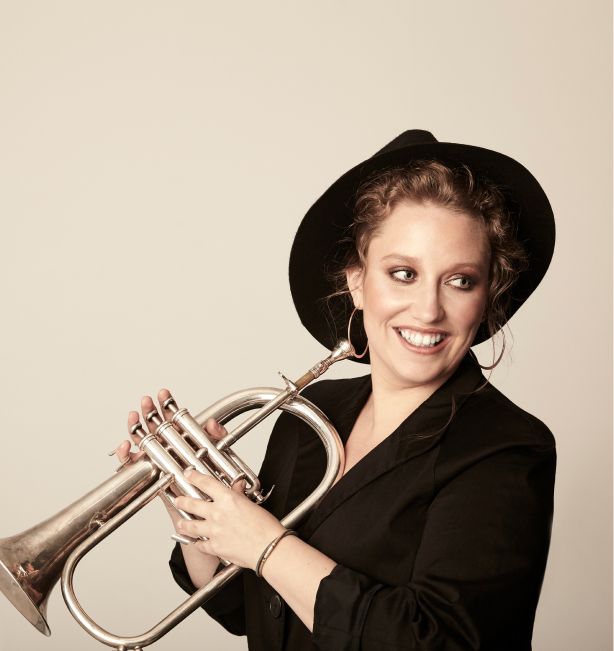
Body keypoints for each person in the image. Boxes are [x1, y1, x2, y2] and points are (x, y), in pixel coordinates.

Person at [116, 130, 556, 650]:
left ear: (486, 297)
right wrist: (200, 516)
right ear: (357, 283)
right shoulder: (311, 416)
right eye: (402, 273)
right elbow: (258, 611)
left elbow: (440, 643)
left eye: (460, 280)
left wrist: (263, 542)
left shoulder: (506, 447)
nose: (429, 309)